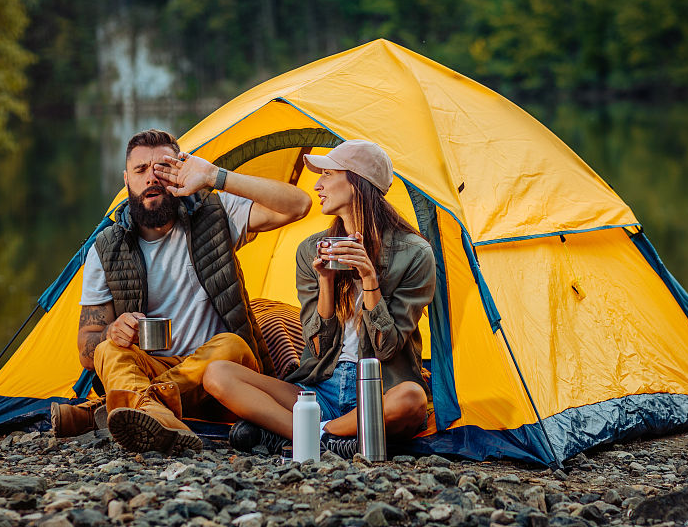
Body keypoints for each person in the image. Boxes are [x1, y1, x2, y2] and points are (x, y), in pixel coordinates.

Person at [56, 128, 312, 454]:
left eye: (162, 169)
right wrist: (112, 331)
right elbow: (86, 351)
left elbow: (299, 204)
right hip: (153, 367)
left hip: (221, 384)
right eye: (140, 170)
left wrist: (214, 176)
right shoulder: (106, 249)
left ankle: (128, 408)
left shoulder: (215, 215)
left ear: (179, 168)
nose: (152, 178)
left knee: (231, 346)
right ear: (126, 180)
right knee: (107, 350)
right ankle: (158, 415)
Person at [201, 139, 434, 458]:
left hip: (379, 388)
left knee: (412, 400)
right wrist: (326, 282)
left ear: (356, 182)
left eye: (327, 174)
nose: (317, 184)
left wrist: (369, 279)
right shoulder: (313, 250)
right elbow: (317, 349)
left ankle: (304, 434)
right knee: (217, 374)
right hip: (320, 388)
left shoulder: (415, 253)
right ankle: (328, 437)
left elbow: (386, 347)